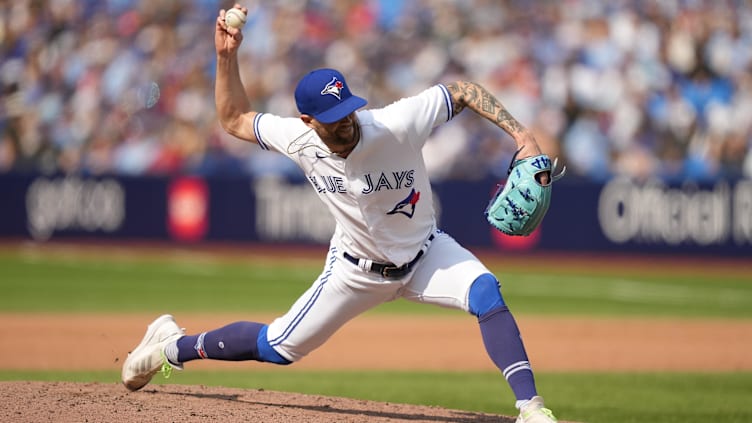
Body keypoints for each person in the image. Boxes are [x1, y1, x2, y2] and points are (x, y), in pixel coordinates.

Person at [122, 5, 558, 423]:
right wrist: (225, 57)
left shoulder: (394, 123)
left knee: (485, 293)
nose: (346, 121)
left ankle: (532, 409)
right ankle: (170, 348)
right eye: (333, 118)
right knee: (276, 346)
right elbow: (234, 118)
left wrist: (523, 136)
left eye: (348, 110)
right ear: (308, 120)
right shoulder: (298, 139)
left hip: (426, 254)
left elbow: (462, 91)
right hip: (354, 271)